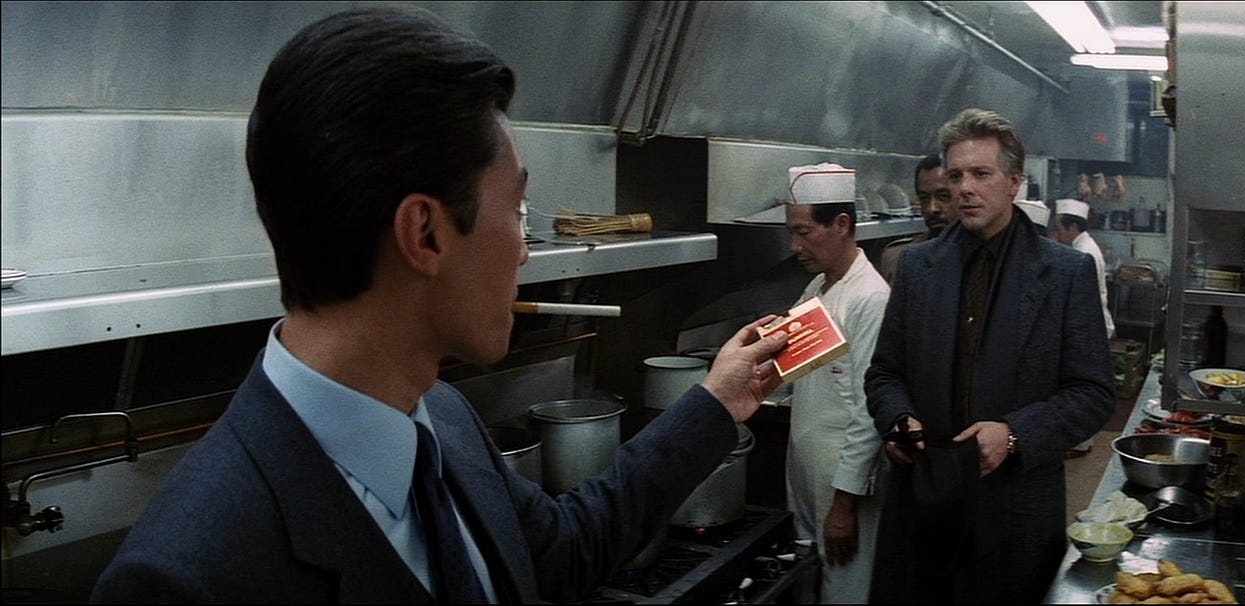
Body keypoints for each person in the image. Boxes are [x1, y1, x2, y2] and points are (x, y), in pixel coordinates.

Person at [90, 7, 788, 604]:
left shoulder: (441, 417)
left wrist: (718, 401)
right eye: (517, 211)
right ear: (424, 233)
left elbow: (567, 547)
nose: (523, 252)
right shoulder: (190, 577)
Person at [864, 108, 1115, 603]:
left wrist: (1015, 434)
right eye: (956, 176)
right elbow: (885, 372)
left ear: (1014, 182)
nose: (965, 189)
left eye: (981, 174)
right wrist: (897, 419)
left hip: (1013, 509)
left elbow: (1093, 394)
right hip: (924, 503)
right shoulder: (918, 266)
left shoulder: (1065, 273)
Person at [781, 173, 891, 603]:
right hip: (806, 468)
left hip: (843, 482)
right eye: (792, 233)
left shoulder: (870, 298)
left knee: (845, 591)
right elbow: (795, 361)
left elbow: (870, 411)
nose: (795, 246)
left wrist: (844, 506)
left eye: (804, 232)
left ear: (842, 224)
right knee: (809, 580)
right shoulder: (818, 286)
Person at [879, 153, 954, 283]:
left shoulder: (981, 258)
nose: (932, 208)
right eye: (924, 198)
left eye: (943, 196)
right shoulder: (898, 258)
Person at [1053, 198, 1116, 340]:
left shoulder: (1084, 252)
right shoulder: (1083, 246)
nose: (1057, 234)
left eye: (1059, 229)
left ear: (1073, 227)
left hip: (1091, 325)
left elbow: (1080, 295)